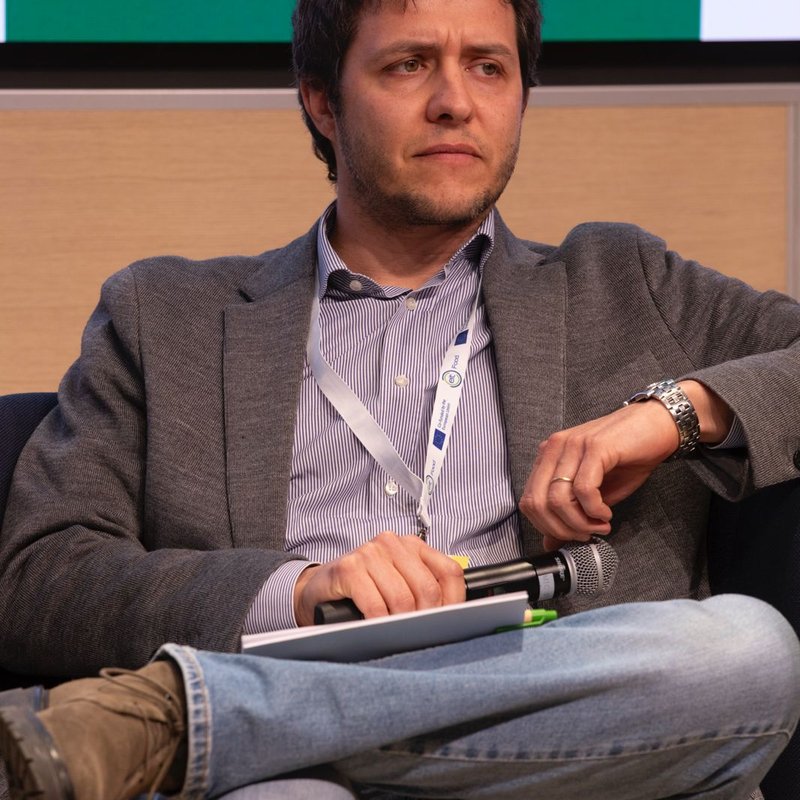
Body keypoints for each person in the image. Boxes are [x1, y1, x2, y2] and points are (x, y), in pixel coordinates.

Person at [1, 0, 800, 797]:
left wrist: (677, 413)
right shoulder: (166, 318)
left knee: (743, 650)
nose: (455, 101)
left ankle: (190, 719)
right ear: (322, 100)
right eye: (409, 65)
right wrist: (297, 592)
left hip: (575, 759)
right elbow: (42, 578)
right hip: (297, 782)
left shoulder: (625, 283)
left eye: (488, 67)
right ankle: (253, 729)